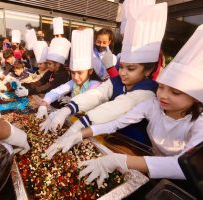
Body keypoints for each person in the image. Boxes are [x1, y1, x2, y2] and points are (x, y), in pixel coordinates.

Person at [51, 24, 203, 185]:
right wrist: (79, 133)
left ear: (195, 97)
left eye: (176, 92)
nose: (163, 95)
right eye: (161, 87)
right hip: (147, 161)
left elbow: (183, 165)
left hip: (185, 182)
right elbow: (116, 122)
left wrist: (119, 160)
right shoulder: (153, 105)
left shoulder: (198, 122)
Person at [42, 2, 167, 145]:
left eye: (131, 69)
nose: (123, 73)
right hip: (108, 135)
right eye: (121, 67)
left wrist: (82, 122)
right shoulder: (117, 81)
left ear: (148, 70)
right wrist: (67, 109)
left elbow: (119, 105)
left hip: (133, 145)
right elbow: (97, 94)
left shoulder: (149, 89)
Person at [36, 28, 101, 119]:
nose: (76, 77)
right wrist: (44, 103)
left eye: (80, 73)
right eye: (73, 73)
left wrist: (69, 105)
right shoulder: (73, 82)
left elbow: (87, 100)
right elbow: (58, 91)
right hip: (73, 118)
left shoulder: (95, 85)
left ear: (90, 71)